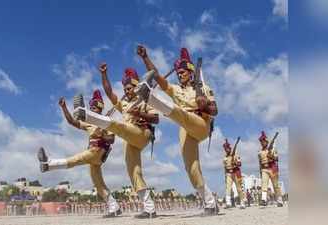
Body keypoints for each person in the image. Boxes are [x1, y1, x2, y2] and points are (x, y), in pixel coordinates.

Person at [136, 45, 219, 216]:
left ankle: (149, 97)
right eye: (178, 73)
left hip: (201, 124)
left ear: (190, 72)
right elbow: (158, 77)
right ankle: (211, 203)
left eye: (182, 72)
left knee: (180, 113)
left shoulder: (203, 87)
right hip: (184, 127)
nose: (179, 75)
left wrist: (205, 105)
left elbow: (215, 110)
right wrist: (145, 57)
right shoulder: (176, 89)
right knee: (192, 169)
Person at [73, 63, 160, 219]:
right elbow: (109, 92)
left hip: (142, 134)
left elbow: (156, 119)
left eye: (129, 88)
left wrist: (140, 113)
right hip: (129, 138)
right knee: (134, 173)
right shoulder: (124, 104)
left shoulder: (145, 99)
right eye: (125, 89)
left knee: (116, 125)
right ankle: (149, 208)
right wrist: (104, 74)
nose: (126, 92)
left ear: (136, 86)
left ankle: (84, 114)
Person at [37, 90, 121, 217]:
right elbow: (72, 122)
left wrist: (102, 134)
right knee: (98, 184)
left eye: (94, 107)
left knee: (75, 159)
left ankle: (48, 164)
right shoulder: (89, 123)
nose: (92, 109)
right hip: (94, 157)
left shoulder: (106, 121)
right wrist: (64, 107)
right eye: (90, 107)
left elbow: (112, 140)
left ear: (100, 107)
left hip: (97, 151)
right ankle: (114, 207)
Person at [258, 131, 284, 207]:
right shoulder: (260, 152)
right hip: (264, 169)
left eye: (263, 141)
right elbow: (260, 162)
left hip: (272, 168)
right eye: (261, 142)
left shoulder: (272, 149)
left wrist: (271, 156)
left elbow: (277, 158)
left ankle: (279, 200)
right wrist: (260, 171)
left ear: (266, 142)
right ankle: (263, 200)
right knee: (264, 183)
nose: (262, 143)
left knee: (275, 185)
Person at [223, 139, 246, 209]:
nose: (227, 150)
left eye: (228, 148)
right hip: (229, 174)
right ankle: (228, 202)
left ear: (230, 148)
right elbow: (225, 168)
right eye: (226, 149)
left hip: (235, 172)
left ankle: (242, 202)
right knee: (228, 188)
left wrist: (235, 162)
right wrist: (225, 176)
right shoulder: (225, 158)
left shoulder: (236, 155)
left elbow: (240, 163)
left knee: (239, 188)